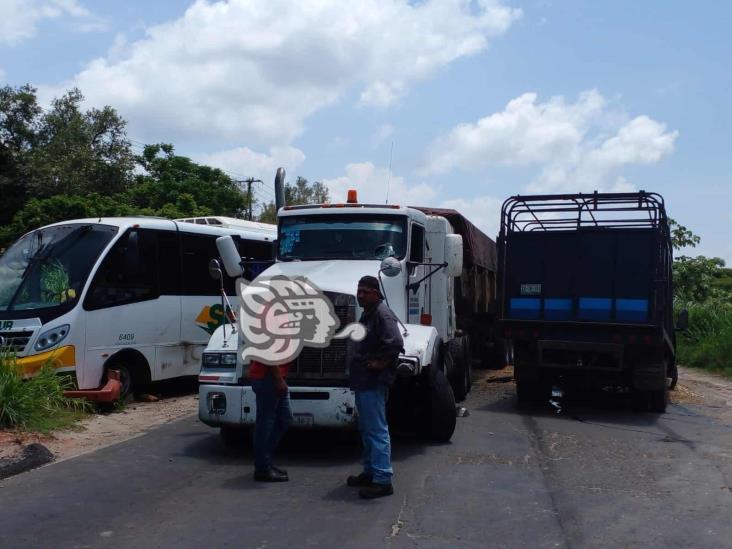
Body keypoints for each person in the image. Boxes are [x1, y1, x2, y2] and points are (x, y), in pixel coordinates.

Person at [347, 275, 404, 499]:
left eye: (365, 292)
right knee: (367, 429)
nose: (360, 295)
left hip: (373, 381)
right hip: (363, 381)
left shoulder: (382, 314)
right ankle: (370, 471)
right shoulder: (369, 314)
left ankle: (382, 479)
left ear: (376, 293)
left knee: (376, 430)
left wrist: (380, 363)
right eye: (358, 291)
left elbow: (396, 343)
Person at [249, 359, 293, 482]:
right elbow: (268, 354)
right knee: (265, 422)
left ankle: (264, 461)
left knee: (284, 418)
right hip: (268, 376)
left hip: (273, 375)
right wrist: (278, 378)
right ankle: (262, 469)